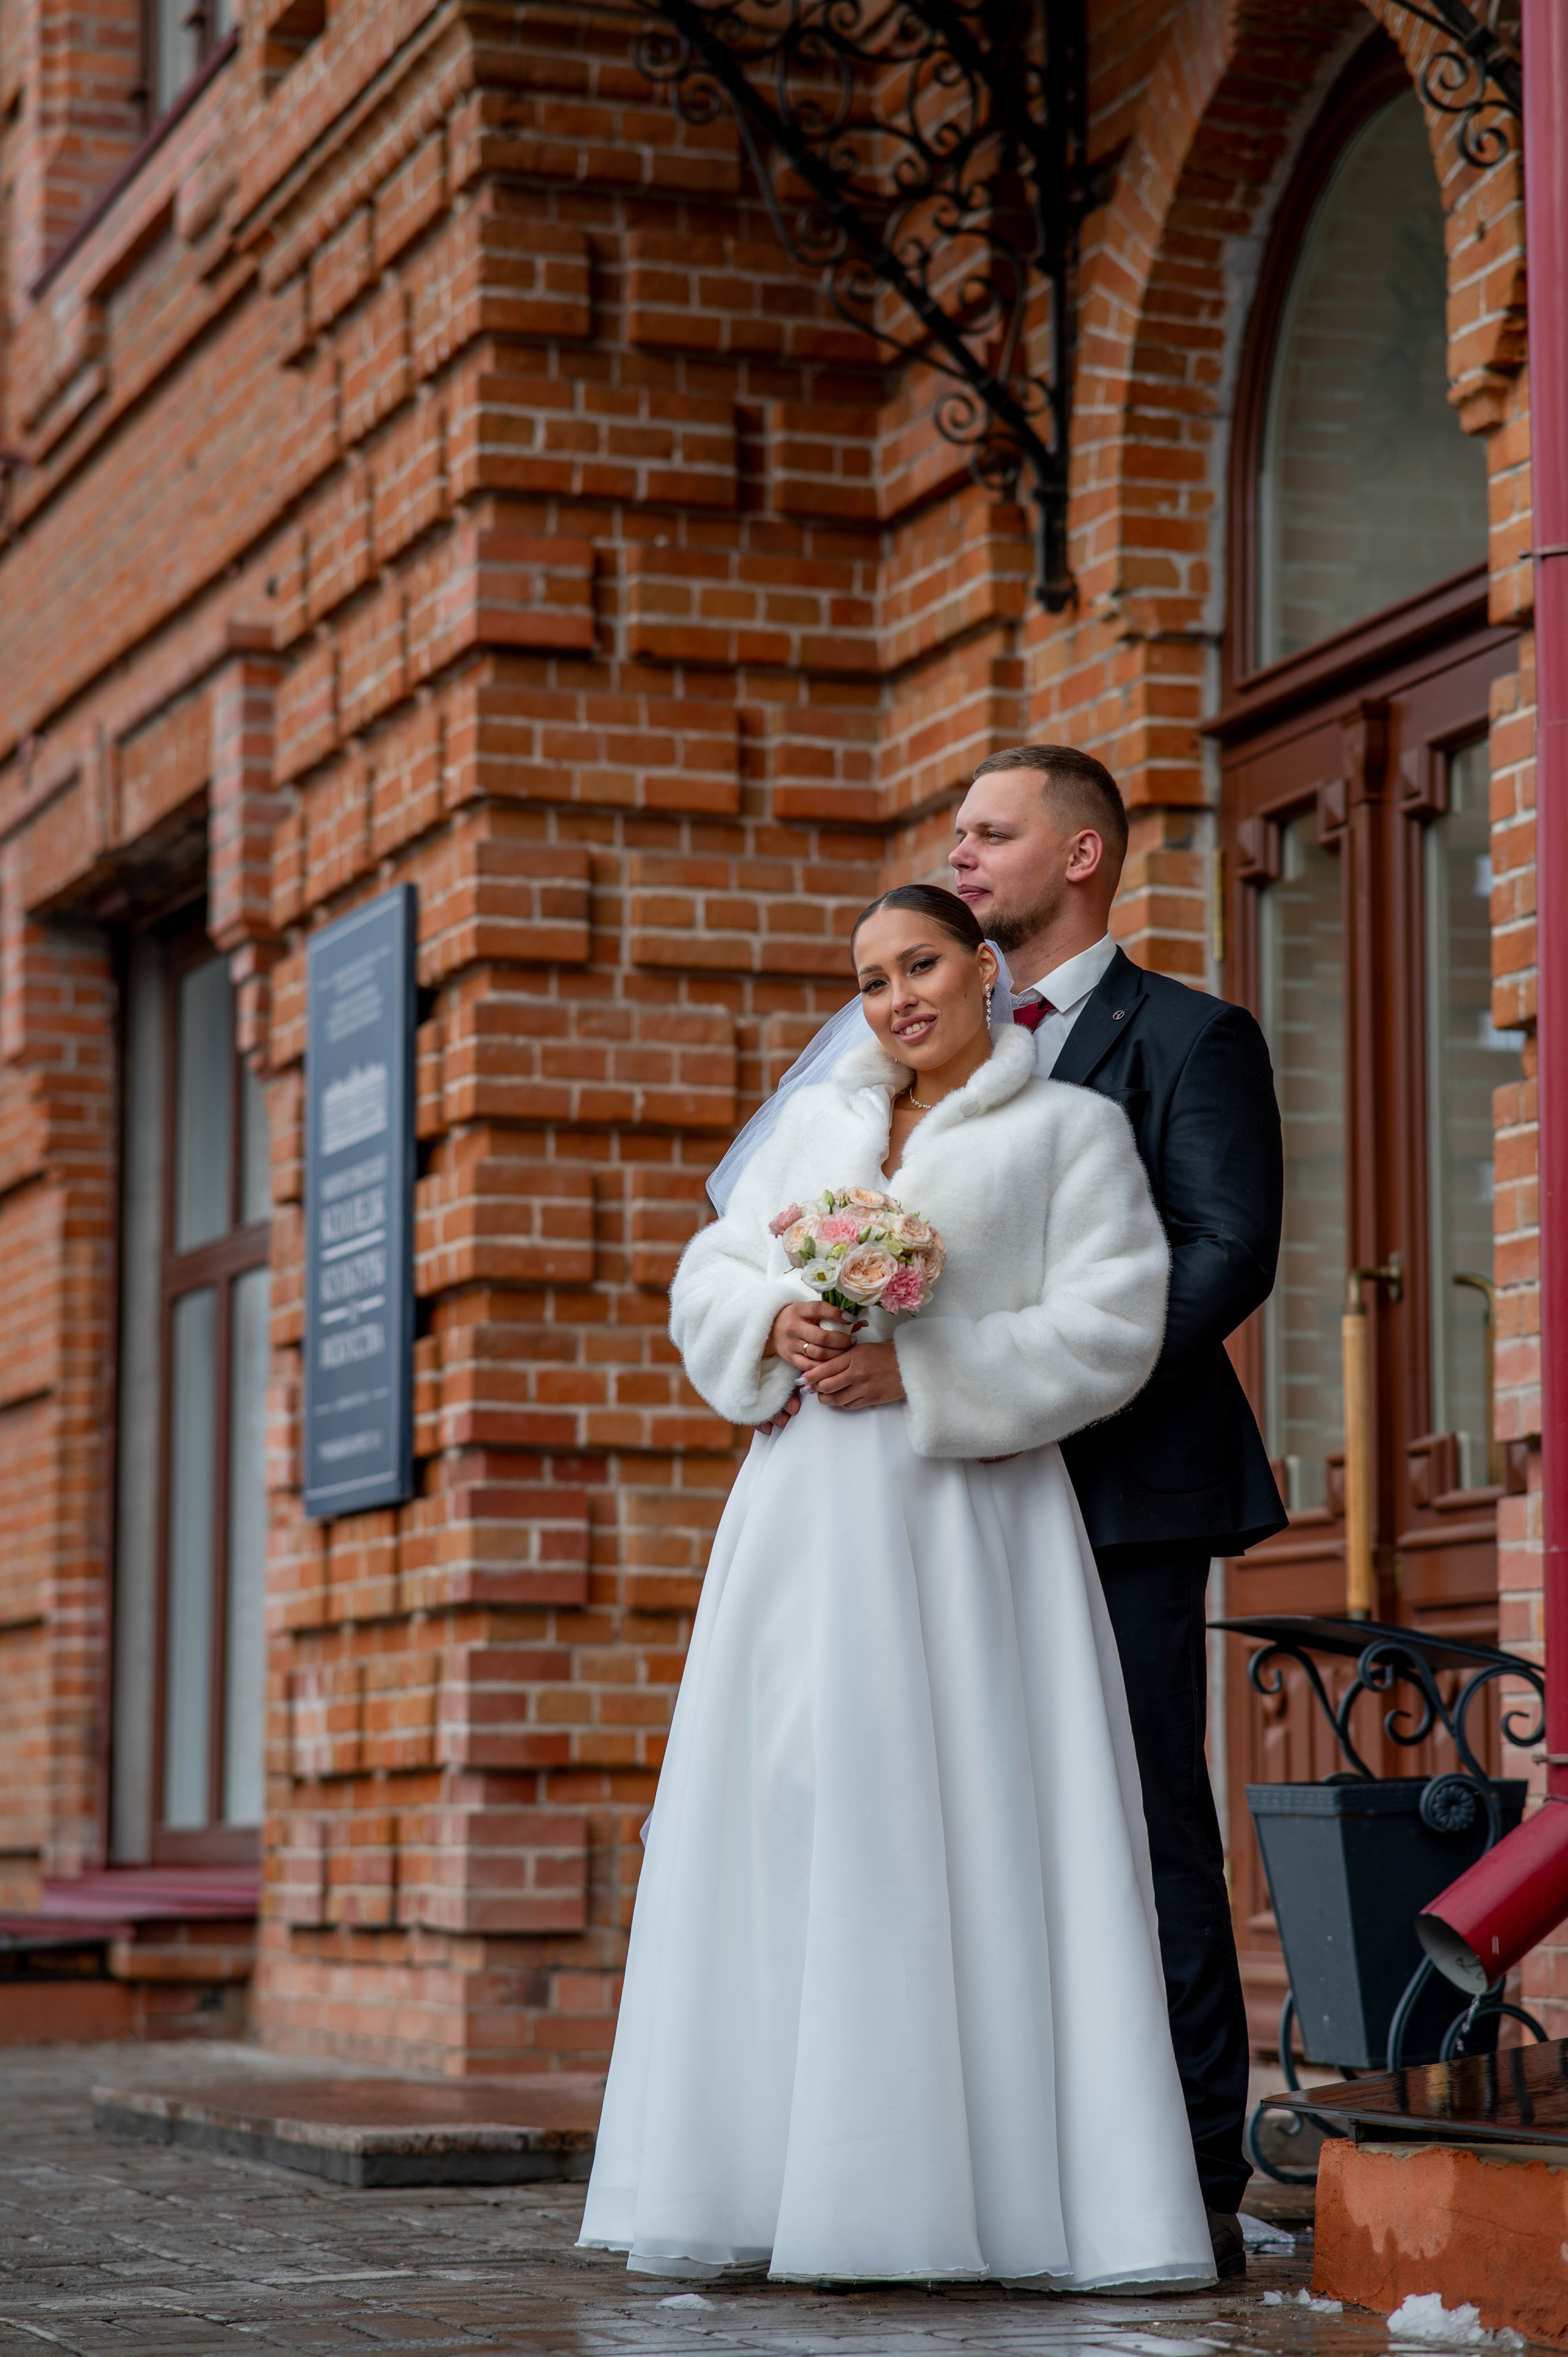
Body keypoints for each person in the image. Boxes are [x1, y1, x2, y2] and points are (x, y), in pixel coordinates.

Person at [578, 882, 1215, 2290]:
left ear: (982, 965)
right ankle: (769, 2173)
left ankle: (970, 2197)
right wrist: (773, 1316)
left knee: (967, 1815)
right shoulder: (812, 1126)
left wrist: (922, 1367)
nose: (894, 998)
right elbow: (711, 1271)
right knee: (798, 1803)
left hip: (967, 1513)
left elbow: (1109, 1325)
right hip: (801, 1512)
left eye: (918, 963)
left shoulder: (1071, 1131)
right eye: (868, 980)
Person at [948, 743, 1288, 2277]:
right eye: (954, 834)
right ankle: (1010, 2152)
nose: (960, 856)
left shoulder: (1191, 1037)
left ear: (1079, 856)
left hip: (1122, 1491)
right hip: (953, 1499)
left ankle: (1195, 2169)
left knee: (1146, 1821)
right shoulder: (926, 1047)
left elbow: (1224, 1254)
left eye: (989, 832)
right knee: (979, 1821)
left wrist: (1033, 1378)